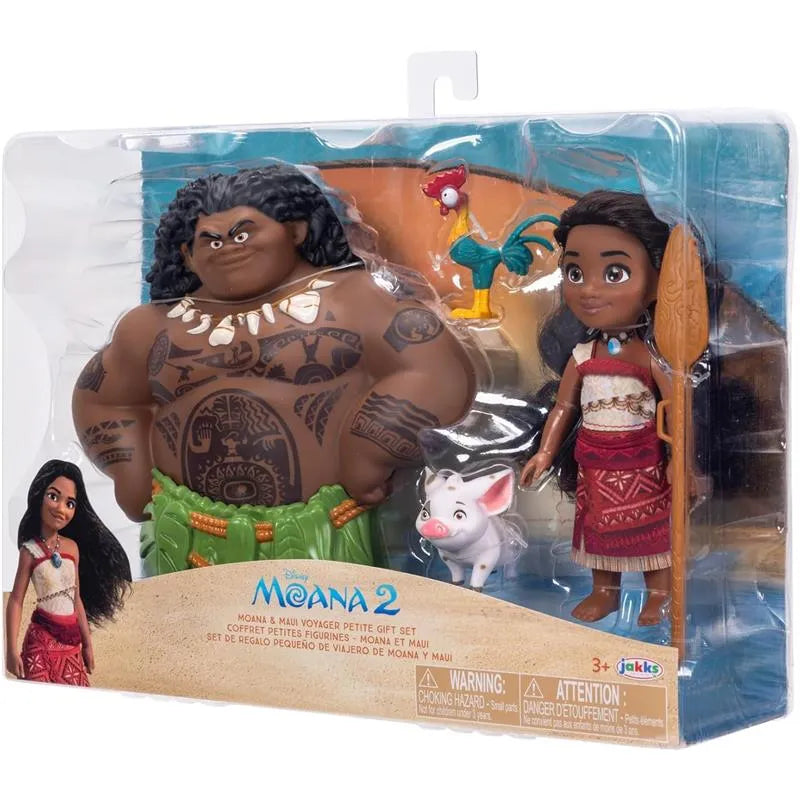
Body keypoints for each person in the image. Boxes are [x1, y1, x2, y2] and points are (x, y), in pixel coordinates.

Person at [72, 164, 476, 574]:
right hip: (184, 535)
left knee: (332, 615)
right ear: (186, 255)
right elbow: (103, 398)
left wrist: (370, 449)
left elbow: (432, 369)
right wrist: (131, 472)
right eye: (210, 240)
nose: (226, 248)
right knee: (181, 617)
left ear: (296, 230)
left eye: (242, 234)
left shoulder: (353, 299)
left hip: (321, 533)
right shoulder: (152, 326)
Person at [521, 190, 673, 626]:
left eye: (614, 272)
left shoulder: (651, 356)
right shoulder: (582, 355)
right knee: (598, 529)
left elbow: (675, 408)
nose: (589, 289)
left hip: (643, 462)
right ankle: (605, 591)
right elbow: (563, 406)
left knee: (650, 533)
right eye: (574, 272)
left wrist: (682, 461)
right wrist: (545, 452)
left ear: (657, 281)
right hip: (595, 464)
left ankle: (658, 593)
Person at [5, 460, 131, 684]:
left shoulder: (72, 548)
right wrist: (11, 650)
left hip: (71, 644)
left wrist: (87, 644)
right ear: (40, 496)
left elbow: (76, 599)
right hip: (41, 641)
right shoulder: (30, 551)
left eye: (70, 503)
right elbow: (16, 600)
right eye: (53, 497)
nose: (61, 509)